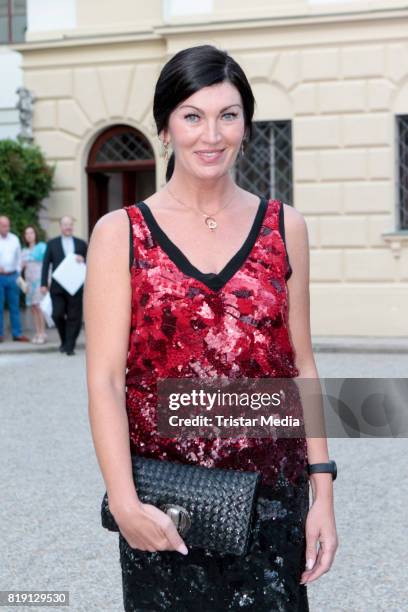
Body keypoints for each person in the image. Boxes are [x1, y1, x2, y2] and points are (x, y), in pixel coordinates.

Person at [84, 45, 338, 611]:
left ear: (246, 125)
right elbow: (103, 379)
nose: (212, 134)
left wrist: (323, 491)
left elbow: (302, 366)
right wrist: (125, 505)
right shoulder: (120, 234)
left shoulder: (284, 227)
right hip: (167, 509)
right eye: (192, 116)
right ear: (166, 129)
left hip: (274, 506)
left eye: (228, 115)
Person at [40, 215, 87, 355]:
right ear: (60, 226)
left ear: (73, 226)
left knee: (75, 317)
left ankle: (69, 347)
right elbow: (45, 264)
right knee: (57, 314)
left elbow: (90, 262)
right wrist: (43, 283)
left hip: (75, 287)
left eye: (70, 224)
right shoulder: (52, 243)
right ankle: (65, 340)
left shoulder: (81, 243)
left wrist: (83, 259)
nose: (68, 227)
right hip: (57, 287)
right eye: (65, 224)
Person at [0, 215, 30, 343]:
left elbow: (19, 258)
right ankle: (0, 335)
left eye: (7, 225)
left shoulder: (15, 239)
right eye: (3, 225)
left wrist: (17, 272)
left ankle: (17, 334)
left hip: (13, 276)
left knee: (15, 306)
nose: (6, 228)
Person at [21, 225, 48, 344]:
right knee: (33, 308)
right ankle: (37, 332)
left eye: (31, 233)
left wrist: (47, 281)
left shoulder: (42, 247)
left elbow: (48, 264)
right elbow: (20, 267)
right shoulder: (24, 251)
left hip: (39, 281)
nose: (29, 235)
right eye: (27, 234)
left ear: (35, 234)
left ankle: (43, 333)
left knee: (39, 307)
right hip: (29, 283)